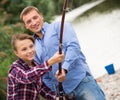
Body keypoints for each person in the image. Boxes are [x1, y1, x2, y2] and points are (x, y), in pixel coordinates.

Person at [20, 6, 106, 100]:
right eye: (29, 21)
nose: (33, 22)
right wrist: (56, 92)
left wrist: (64, 68)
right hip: (65, 95)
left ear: (41, 16)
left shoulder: (59, 26)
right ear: (26, 26)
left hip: (81, 82)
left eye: (35, 17)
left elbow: (74, 47)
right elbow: (43, 75)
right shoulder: (34, 48)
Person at [7, 33, 64, 100]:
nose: (30, 51)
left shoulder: (35, 65)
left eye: (31, 46)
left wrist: (56, 98)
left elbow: (42, 88)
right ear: (16, 53)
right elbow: (27, 77)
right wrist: (50, 62)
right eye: (24, 49)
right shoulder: (14, 69)